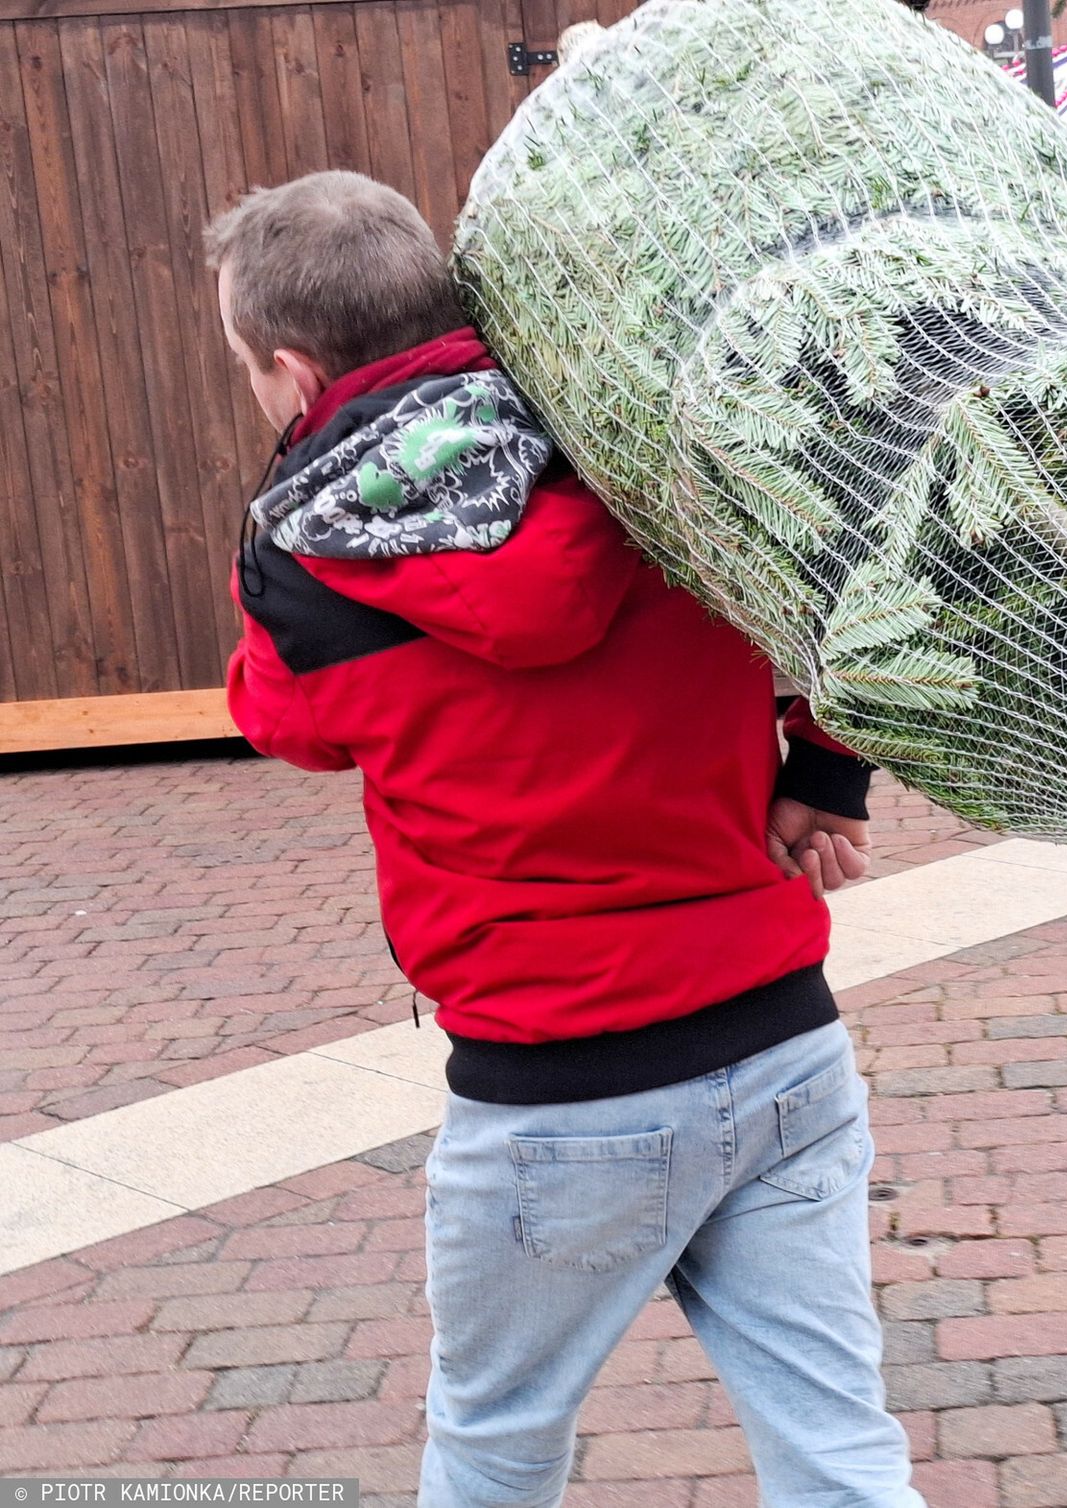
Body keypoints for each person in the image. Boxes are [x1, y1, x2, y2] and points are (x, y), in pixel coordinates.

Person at [207, 170, 924, 1508]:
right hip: (780, 1042)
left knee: (494, 1442)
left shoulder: (306, 554)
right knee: (838, 1447)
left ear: (295, 374)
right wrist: (826, 773)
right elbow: (844, 588)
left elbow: (286, 725)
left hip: (555, 1093)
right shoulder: (643, 441)